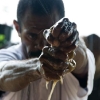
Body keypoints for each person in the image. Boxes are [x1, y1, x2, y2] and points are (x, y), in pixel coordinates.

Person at [0, 0, 95, 100]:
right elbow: (3, 74)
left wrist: (69, 42)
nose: (42, 46)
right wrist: (38, 67)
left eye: (50, 36)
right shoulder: (6, 56)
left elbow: (81, 55)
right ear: (17, 28)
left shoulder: (75, 53)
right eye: (32, 36)